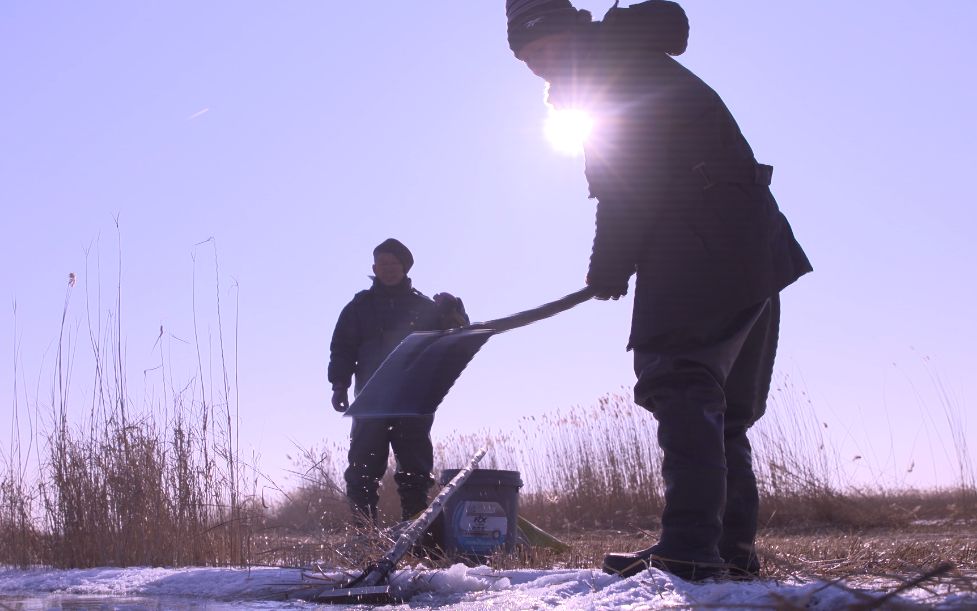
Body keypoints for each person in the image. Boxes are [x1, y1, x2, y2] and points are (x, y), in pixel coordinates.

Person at [504, 0, 812, 581]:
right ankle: (728, 551)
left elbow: (628, 185)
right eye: (525, 58)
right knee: (720, 413)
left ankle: (690, 550)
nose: (537, 67)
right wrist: (614, 266)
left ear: (568, 33)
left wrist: (608, 267)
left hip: (700, 248)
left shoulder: (611, 77)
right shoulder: (630, 62)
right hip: (753, 249)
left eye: (542, 49)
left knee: (682, 385)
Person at [328, 238, 468, 524]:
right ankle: (365, 539)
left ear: (404, 268)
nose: (388, 269)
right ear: (374, 268)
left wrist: (454, 309)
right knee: (362, 470)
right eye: (382, 264)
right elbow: (342, 348)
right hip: (371, 400)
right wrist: (339, 384)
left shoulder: (425, 307)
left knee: (415, 472)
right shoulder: (359, 308)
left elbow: (457, 336)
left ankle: (415, 538)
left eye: (394, 264)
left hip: (413, 400)